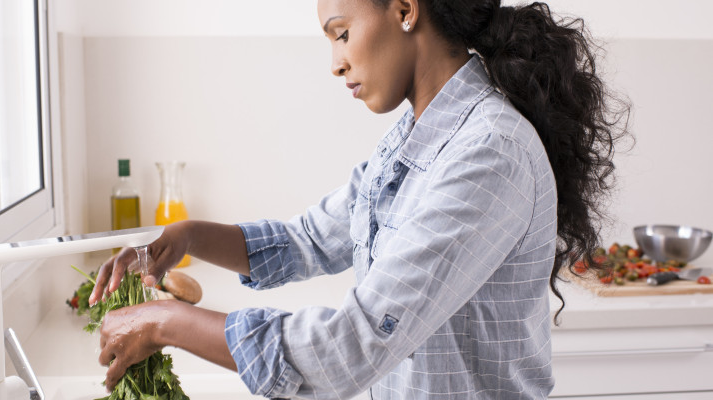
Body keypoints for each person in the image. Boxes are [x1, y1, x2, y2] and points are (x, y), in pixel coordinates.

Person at [90, 0, 628, 398]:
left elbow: (354, 344)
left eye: (342, 33)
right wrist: (184, 237)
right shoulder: (414, 138)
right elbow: (304, 240)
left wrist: (165, 323)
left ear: (404, 9)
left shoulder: (489, 153)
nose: (335, 63)